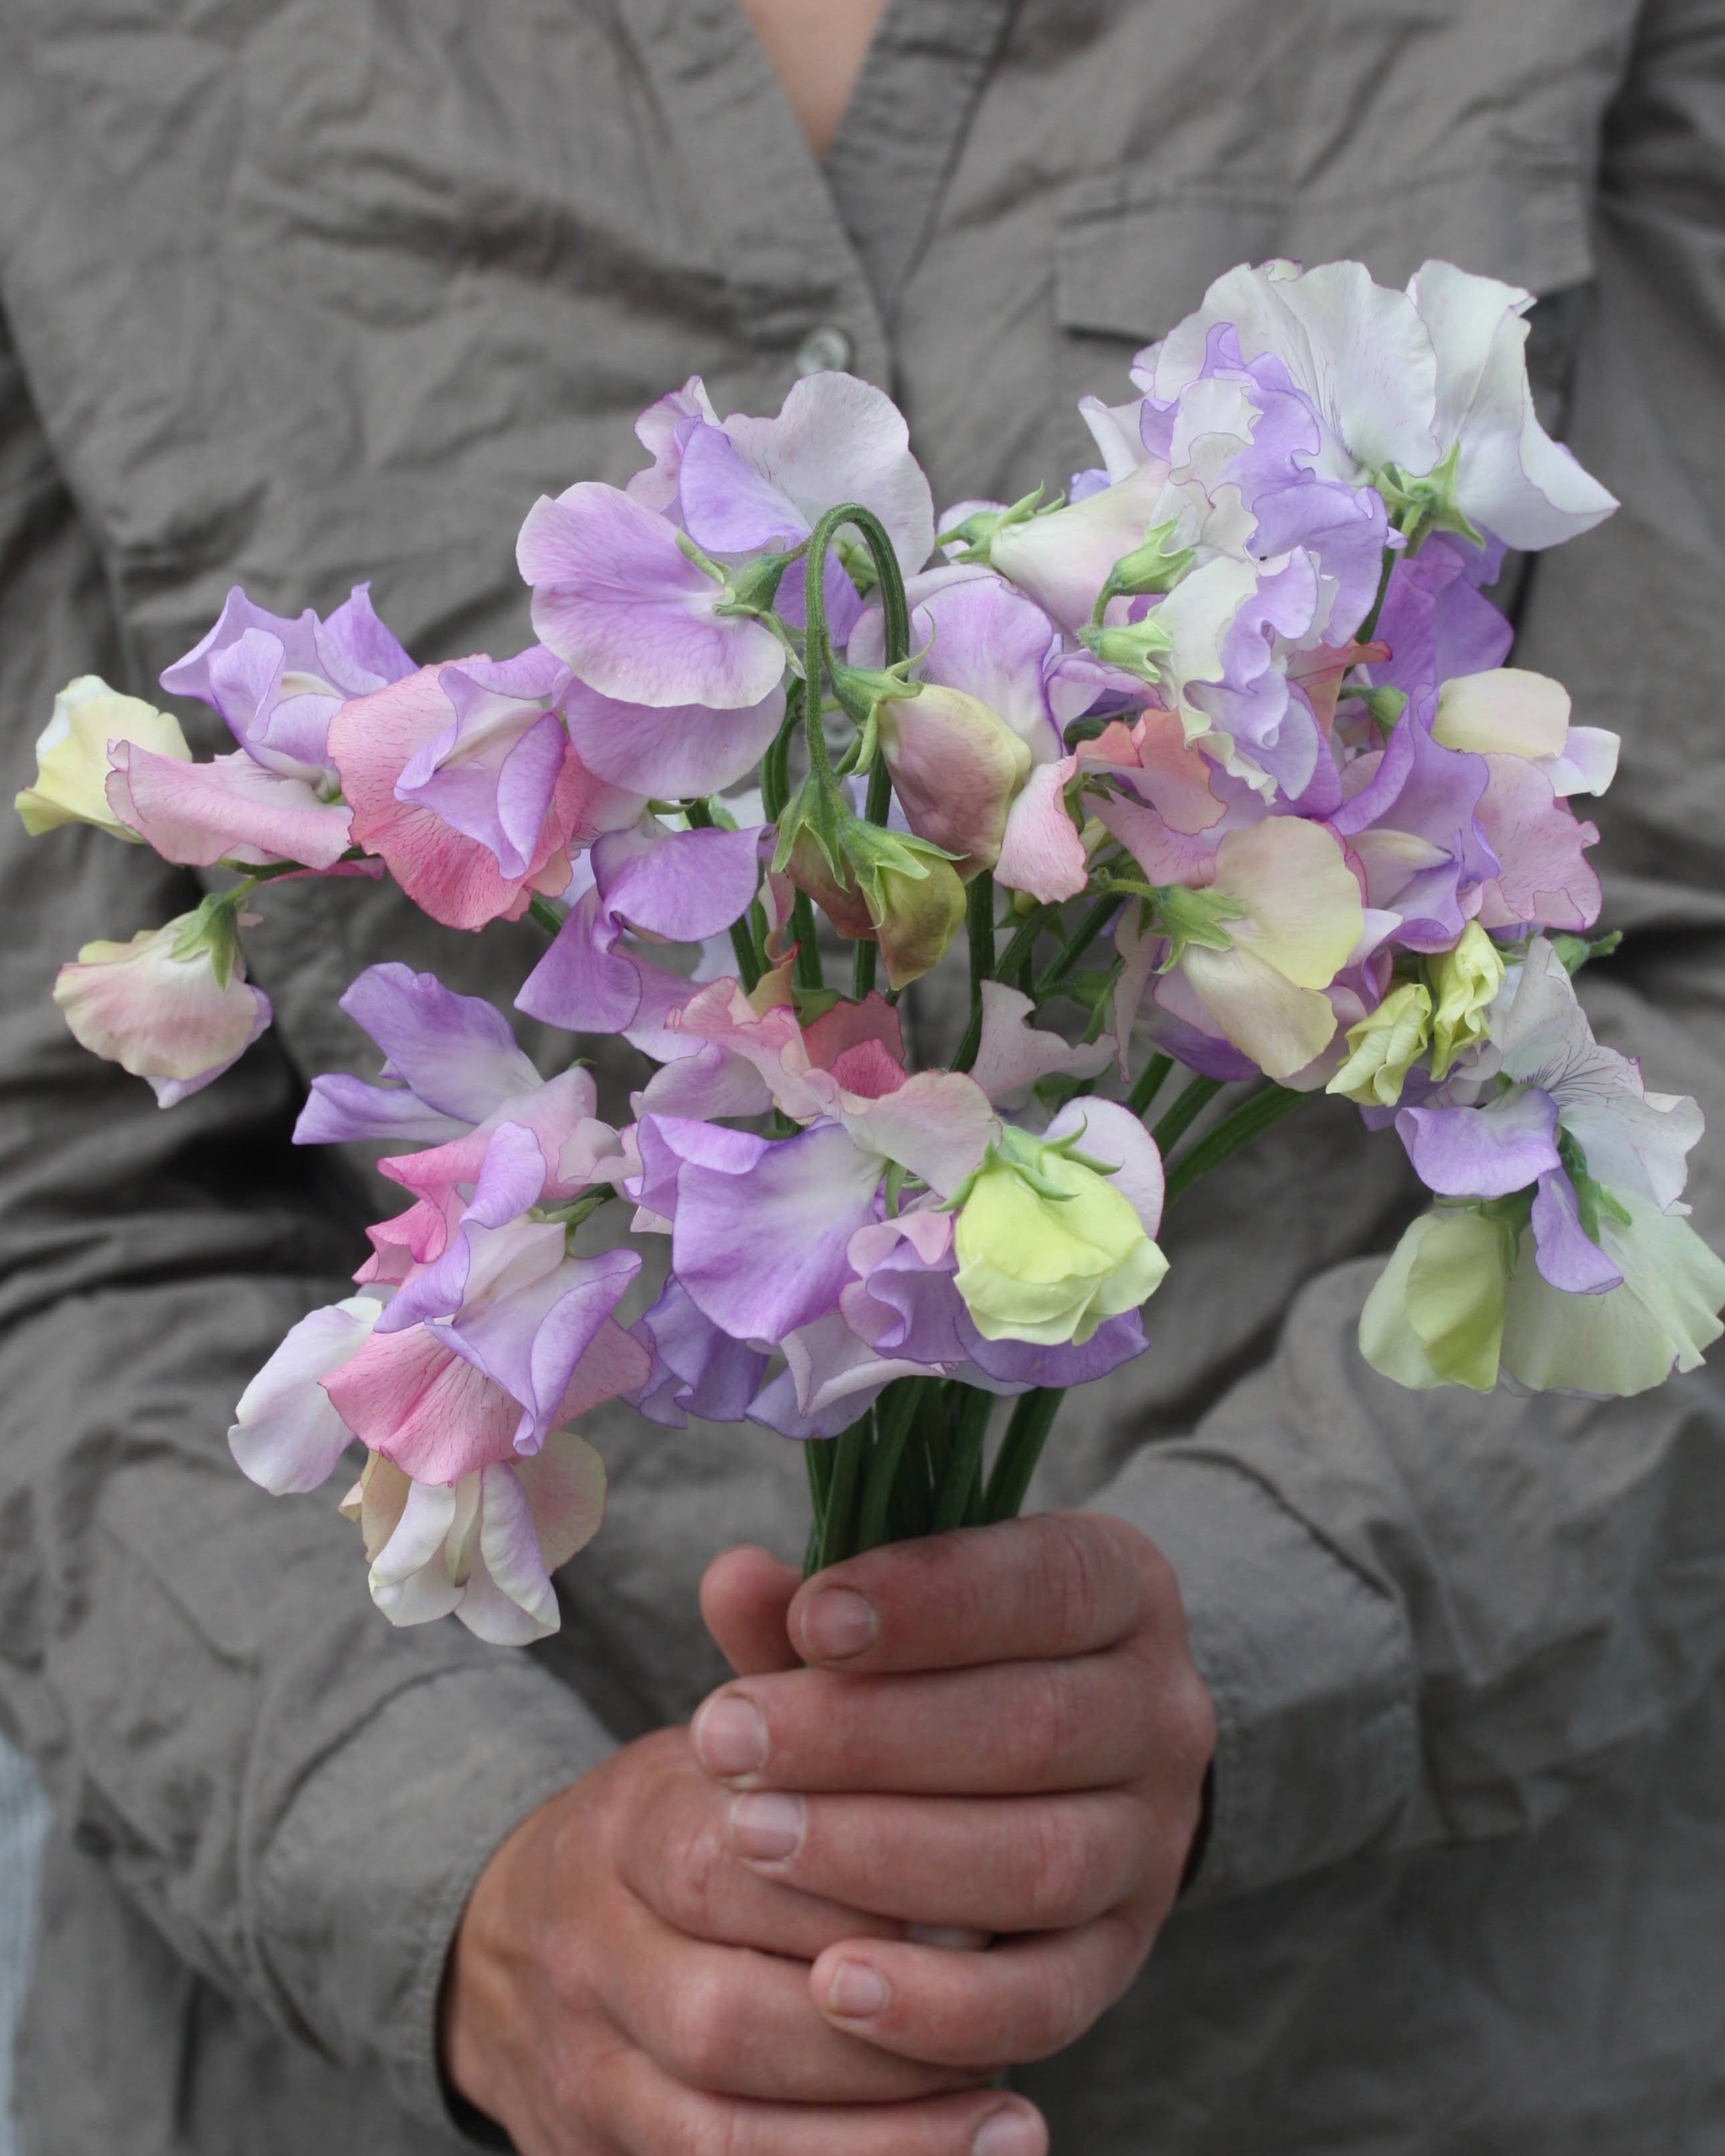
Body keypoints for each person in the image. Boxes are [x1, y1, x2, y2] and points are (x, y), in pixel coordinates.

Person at [2, 1, 1724, 2151]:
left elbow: (1683, 955)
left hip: (1403, 2032)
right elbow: (49, 1212)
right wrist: (464, 1885)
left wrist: (1254, 1630)